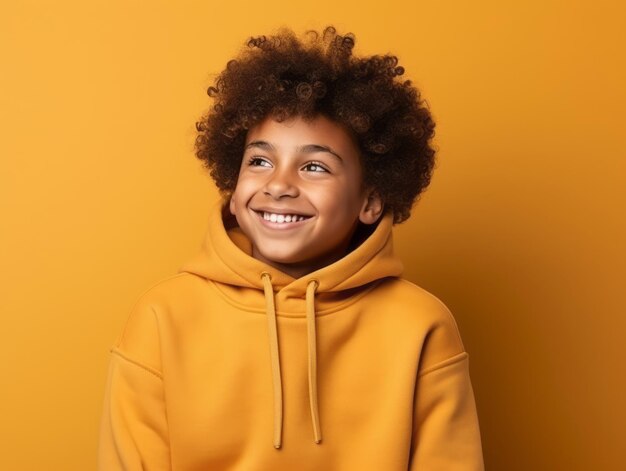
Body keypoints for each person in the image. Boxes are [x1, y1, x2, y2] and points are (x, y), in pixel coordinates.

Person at [97, 25, 484, 470]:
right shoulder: (162, 318)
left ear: (371, 200)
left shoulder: (421, 326)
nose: (279, 185)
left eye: (315, 166)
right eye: (259, 160)